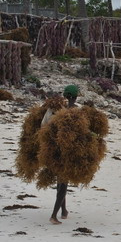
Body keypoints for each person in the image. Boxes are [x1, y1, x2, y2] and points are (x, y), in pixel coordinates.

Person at [45, 84, 79, 224]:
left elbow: (43, 125)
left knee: (61, 181)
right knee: (63, 183)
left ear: (65, 95)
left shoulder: (53, 108)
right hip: (67, 152)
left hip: (52, 150)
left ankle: (64, 211)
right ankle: (54, 216)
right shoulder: (76, 111)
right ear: (76, 97)